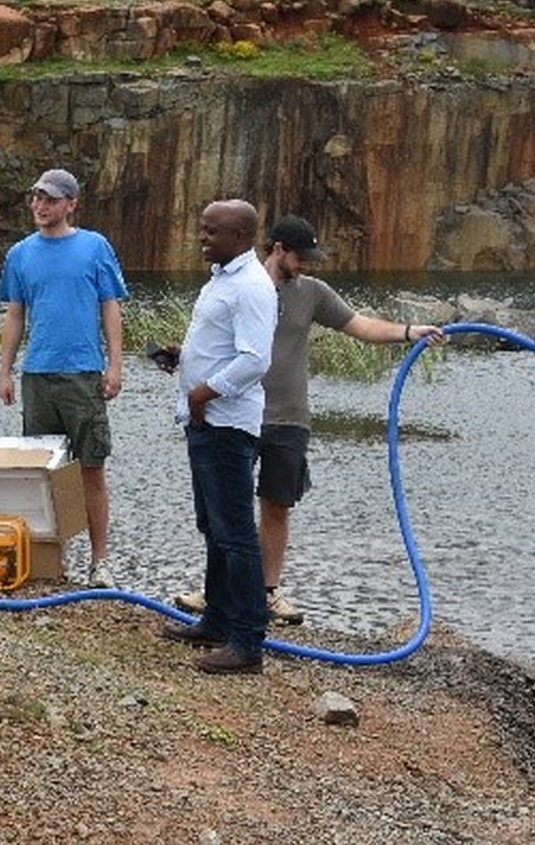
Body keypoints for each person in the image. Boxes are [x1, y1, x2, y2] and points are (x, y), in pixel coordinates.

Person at [171, 214, 444, 623]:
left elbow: (359, 326)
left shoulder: (312, 292)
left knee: (276, 505)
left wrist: (410, 332)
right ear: (278, 249)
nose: (308, 265)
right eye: (302, 257)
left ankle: (267, 593)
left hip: (289, 416)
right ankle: (220, 594)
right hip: (236, 413)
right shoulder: (244, 286)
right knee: (225, 509)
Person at [155, 199, 280, 675]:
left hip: (225, 424)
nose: (202, 238)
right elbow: (222, 346)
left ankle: (247, 641)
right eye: (202, 229)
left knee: (235, 534)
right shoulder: (223, 279)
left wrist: (203, 395)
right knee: (213, 526)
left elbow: (254, 360)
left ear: (240, 237)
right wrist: (183, 356)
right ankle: (217, 618)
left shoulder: (251, 287)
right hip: (206, 422)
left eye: (211, 232)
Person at [0, 167, 129, 589]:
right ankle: (54, 558)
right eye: (36, 197)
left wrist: (115, 365)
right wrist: (5, 371)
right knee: (46, 472)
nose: (41, 206)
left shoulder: (94, 247)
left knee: (91, 467)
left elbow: (110, 306)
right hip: (38, 376)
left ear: (71, 204)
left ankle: (100, 561)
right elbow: (15, 314)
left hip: (83, 373)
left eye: (50, 199)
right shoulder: (20, 254)